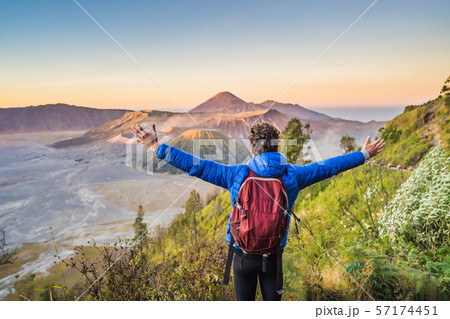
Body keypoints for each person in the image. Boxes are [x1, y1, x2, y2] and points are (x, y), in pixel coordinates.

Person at [132, 122, 385, 301]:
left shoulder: (236, 175)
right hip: (273, 257)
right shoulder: (293, 175)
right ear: (278, 147)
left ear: (253, 149)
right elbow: (329, 167)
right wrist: (364, 154)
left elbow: (196, 166)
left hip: (242, 257)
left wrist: (158, 147)